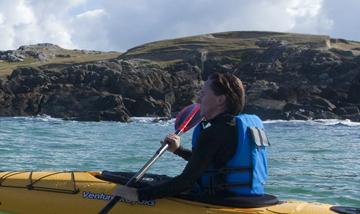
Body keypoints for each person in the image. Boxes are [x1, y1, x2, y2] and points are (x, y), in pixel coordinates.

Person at [112, 72, 269, 205]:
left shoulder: (214, 132)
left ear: (220, 100)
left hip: (220, 200)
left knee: (148, 184)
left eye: (203, 95)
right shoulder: (235, 127)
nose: (198, 101)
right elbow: (212, 162)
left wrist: (138, 195)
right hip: (249, 197)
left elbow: (186, 181)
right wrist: (179, 150)